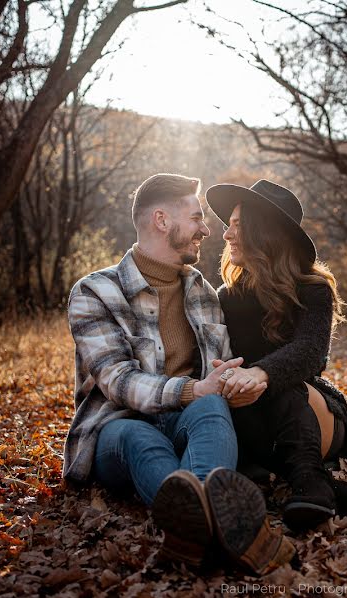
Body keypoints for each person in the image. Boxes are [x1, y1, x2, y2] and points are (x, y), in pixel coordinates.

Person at [63, 173, 295, 574]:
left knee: (213, 411)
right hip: (114, 429)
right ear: (161, 220)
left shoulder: (203, 290)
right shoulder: (95, 291)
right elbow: (116, 380)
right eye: (196, 217)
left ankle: (195, 531)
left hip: (190, 418)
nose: (207, 229)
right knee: (138, 434)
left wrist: (231, 386)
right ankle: (239, 532)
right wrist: (193, 390)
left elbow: (217, 370)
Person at [205, 179, 347, 531]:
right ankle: (320, 485)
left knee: (282, 387)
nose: (226, 234)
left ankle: (305, 476)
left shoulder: (312, 289)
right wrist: (228, 374)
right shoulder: (227, 296)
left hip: (311, 409)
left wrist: (261, 373)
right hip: (255, 415)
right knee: (233, 402)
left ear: (263, 231)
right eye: (229, 225)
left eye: (237, 225)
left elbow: (311, 353)